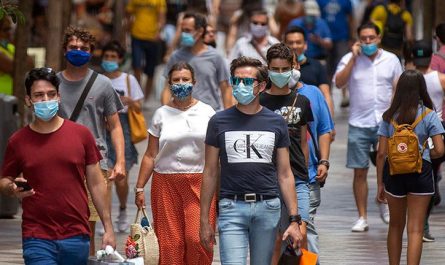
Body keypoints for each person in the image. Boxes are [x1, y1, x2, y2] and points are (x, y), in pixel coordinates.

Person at [0, 68, 116, 265]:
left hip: (76, 234)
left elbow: (96, 183)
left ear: (59, 97)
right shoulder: (17, 141)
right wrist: (11, 188)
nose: (46, 99)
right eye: (39, 95)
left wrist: (108, 228)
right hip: (36, 236)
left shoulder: (82, 135)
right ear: (28, 100)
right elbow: (5, 179)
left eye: (51, 94)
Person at [200, 56, 303, 265]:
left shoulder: (276, 122)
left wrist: (294, 218)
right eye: (235, 80)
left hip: (267, 207)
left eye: (247, 82)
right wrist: (204, 219)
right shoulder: (218, 121)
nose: (240, 86)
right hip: (231, 206)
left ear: (262, 86)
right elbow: (210, 171)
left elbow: (284, 173)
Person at [135, 62, 217, 265]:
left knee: (197, 238)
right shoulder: (161, 114)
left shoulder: (208, 113)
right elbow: (150, 154)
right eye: (176, 80)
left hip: (200, 182)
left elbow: (217, 156)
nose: (181, 84)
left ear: (194, 82)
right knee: (170, 244)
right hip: (165, 184)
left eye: (185, 79)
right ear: (169, 84)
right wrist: (139, 188)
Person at [57, 26, 125, 254]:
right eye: (73, 47)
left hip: (94, 165)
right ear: (64, 50)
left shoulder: (103, 84)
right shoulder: (51, 84)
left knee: (86, 229)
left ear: (91, 51)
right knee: (59, 226)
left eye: (84, 48)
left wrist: (120, 161)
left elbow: (115, 126)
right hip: (58, 164)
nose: (78, 51)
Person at [334, 22, 403, 232]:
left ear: (378, 38)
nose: (367, 42)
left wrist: (395, 117)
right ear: (357, 40)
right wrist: (353, 59)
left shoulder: (391, 60)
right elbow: (338, 83)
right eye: (363, 38)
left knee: (389, 169)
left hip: (385, 123)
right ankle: (362, 216)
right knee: (359, 171)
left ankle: (385, 206)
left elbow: (398, 88)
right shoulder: (349, 59)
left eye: (371, 38)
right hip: (359, 122)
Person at [376, 69, 444, 265]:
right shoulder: (429, 115)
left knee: (395, 227)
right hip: (420, 173)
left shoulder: (389, 116)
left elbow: (382, 153)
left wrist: (380, 183)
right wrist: (422, 155)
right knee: (415, 229)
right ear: (421, 89)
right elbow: (440, 150)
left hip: (394, 174)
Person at [260, 43, 313, 264]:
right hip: (268, 180)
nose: (280, 74)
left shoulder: (302, 101)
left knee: (301, 234)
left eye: (284, 69)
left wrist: (307, 174)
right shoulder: (259, 101)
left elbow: (303, 142)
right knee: (274, 240)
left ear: (292, 68)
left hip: (298, 178)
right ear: (268, 69)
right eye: (275, 69)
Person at [101, 40, 145, 233]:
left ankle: (122, 210)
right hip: (102, 128)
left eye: (113, 57)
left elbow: (139, 106)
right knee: (105, 175)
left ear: (120, 59)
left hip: (124, 128)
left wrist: (128, 101)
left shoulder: (129, 80)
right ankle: (106, 217)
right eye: (106, 56)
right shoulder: (98, 79)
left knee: (121, 178)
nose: (109, 60)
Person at [161, 12, 232, 111]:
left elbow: (225, 89)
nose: (183, 34)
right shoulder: (176, 56)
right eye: (182, 30)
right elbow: (167, 89)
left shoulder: (216, 57)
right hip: (181, 114)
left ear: (200, 31)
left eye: (187, 30)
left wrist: (227, 118)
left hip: (210, 115)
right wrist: (166, 112)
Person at [410, 40, 445, 242]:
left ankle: (421, 224)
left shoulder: (406, 79)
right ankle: (422, 225)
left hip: (413, 135)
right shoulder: (440, 79)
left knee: (422, 178)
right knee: (429, 177)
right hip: (436, 132)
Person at [284, 25, 334, 119]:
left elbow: (326, 94)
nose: (294, 46)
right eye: (291, 43)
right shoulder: (278, 70)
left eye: (298, 42)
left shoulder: (317, 66)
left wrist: (330, 123)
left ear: (305, 45)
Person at [126, 0, 166, 100]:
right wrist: (127, 30)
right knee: (136, 66)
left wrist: (159, 31)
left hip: (152, 38)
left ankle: (146, 98)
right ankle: (137, 94)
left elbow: (162, 16)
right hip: (136, 36)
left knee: (150, 70)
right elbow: (128, 14)